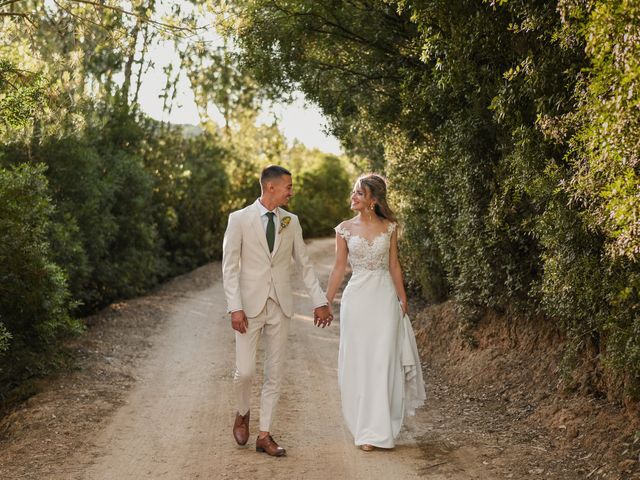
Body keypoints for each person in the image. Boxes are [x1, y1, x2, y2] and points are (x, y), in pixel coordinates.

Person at [222, 165, 333, 457]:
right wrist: (235, 307)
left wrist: (319, 300)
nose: (291, 191)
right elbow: (230, 268)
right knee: (245, 372)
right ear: (270, 187)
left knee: (275, 372)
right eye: (288, 186)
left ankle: (265, 434)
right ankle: (243, 411)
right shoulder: (239, 219)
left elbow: (304, 264)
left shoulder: (291, 221)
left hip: (281, 305)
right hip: (248, 307)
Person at [325, 173, 426, 451]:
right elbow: (338, 268)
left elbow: (394, 265)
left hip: (383, 299)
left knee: (383, 362)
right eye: (354, 192)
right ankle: (364, 429)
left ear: (373, 200)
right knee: (360, 362)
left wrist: (402, 298)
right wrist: (326, 301)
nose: (353, 197)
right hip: (356, 300)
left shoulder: (390, 227)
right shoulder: (344, 228)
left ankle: (381, 428)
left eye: (359, 193)